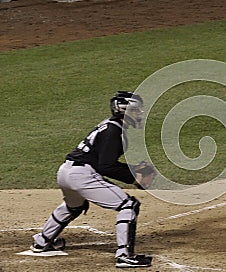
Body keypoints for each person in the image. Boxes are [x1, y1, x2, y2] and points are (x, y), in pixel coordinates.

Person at [30, 91, 156, 268]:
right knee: (129, 205)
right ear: (123, 111)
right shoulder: (115, 132)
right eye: (136, 110)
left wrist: (133, 171)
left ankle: (42, 241)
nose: (140, 114)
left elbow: (102, 160)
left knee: (74, 205)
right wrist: (134, 178)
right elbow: (106, 166)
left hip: (66, 171)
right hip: (81, 175)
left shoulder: (109, 125)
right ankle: (124, 256)